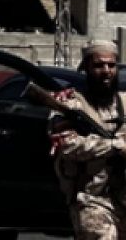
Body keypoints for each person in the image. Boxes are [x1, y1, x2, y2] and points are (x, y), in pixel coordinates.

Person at [49, 40, 126, 238]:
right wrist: (115, 146)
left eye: (111, 65)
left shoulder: (125, 102)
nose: (106, 71)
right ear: (85, 68)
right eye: (98, 65)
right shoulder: (69, 104)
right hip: (92, 199)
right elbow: (65, 145)